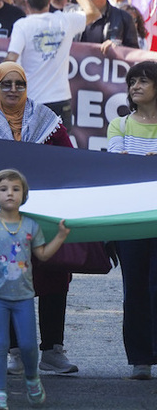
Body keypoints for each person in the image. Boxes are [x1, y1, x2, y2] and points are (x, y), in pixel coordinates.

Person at [0, 62, 78, 378]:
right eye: (6, 84)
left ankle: (52, 350)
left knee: (54, 274)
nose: (13, 90)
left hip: (43, 214)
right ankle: (14, 351)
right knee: (7, 277)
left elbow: (69, 159)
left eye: (19, 84)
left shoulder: (48, 121)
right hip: (0, 218)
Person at [0, 169, 70, 410]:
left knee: (29, 345)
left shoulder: (30, 225)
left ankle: (32, 379)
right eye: (3, 189)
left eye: (15, 189)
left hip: (23, 297)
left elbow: (41, 254)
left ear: (24, 194)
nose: (9, 193)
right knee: (0, 344)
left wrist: (60, 237)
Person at [106, 60, 157, 379]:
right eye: (132, 81)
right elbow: (115, 166)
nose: (135, 86)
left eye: (143, 81)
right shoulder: (119, 125)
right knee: (135, 288)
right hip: (132, 221)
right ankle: (141, 358)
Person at [6, 0, 98, 129]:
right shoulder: (65, 20)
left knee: (31, 149)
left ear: (26, 2)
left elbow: (11, 59)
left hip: (32, 100)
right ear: (49, 1)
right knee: (59, 150)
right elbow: (94, 13)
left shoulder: (22, 25)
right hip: (60, 99)